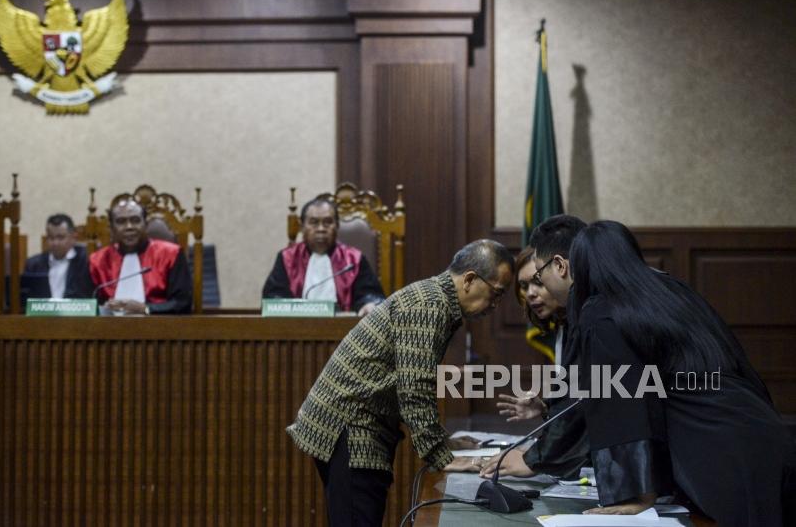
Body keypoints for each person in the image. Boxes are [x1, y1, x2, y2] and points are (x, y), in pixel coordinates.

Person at [567, 220, 795, 525]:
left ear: (582, 269)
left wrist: (637, 493)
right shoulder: (672, 290)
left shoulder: (601, 311)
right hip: (765, 431)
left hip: (717, 452)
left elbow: (620, 402)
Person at [286, 239, 515, 526]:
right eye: (496, 294)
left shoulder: (435, 299)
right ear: (470, 279)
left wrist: (441, 440)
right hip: (351, 426)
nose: (495, 305)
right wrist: (441, 456)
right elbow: (414, 388)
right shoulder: (429, 305)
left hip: (357, 423)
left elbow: (413, 378)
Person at [481, 218, 591, 480]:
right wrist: (545, 410)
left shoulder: (588, 321)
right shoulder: (562, 327)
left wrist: (535, 460)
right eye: (523, 286)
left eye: (538, 282)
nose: (530, 293)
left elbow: (594, 404)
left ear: (560, 269)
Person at [262, 197, 385, 316]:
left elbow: (370, 295)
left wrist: (368, 304)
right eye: (314, 223)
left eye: (327, 223)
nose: (321, 229)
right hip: (296, 332)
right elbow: (273, 298)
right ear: (302, 227)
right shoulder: (287, 258)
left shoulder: (353, 259)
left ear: (337, 226)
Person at [89, 198, 192, 315]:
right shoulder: (97, 261)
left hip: (160, 329)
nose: (129, 227)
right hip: (109, 330)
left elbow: (183, 303)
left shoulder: (171, 254)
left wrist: (146, 309)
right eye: (121, 221)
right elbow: (85, 305)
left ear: (146, 224)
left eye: (135, 220)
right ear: (111, 229)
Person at [23, 214, 94, 299]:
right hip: (43, 311)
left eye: (60, 237)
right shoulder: (33, 265)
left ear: (73, 237)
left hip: (73, 311)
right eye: (51, 237)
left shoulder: (85, 262)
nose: (55, 243)